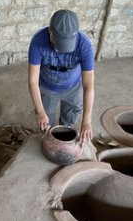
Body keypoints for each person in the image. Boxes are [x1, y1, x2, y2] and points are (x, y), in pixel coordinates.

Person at [28, 9, 95, 144]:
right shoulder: (38, 42)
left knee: (69, 122)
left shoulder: (84, 45)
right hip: (48, 87)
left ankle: (64, 139)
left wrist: (87, 121)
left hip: (73, 88)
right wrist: (40, 112)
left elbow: (88, 85)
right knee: (46, 126)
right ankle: (50, 141)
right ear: (50, 32)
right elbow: (33, 81)